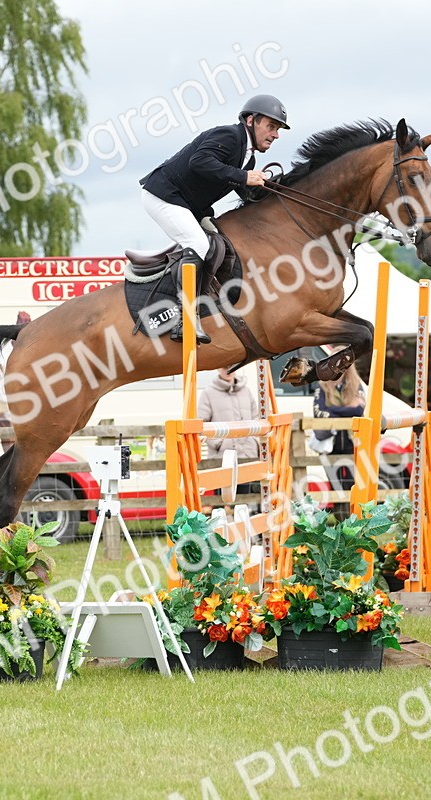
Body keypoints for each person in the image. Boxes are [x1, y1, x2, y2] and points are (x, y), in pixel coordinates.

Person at [139, 94, 290, 344]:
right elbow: (199, 162)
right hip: (163, 195)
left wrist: (275, 189)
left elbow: (248, 194)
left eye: (278, 129)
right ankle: (184, 319)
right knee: (198, 244)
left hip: (187, 205)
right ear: (251, 120)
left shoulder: (247, 157)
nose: (275, 135)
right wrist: (243, 177)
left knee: (223, 241)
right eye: (271, 126)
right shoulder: (230, 136)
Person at [198, 366, 260, 500]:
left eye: (231, 366)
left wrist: (254, 441)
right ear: (217, 368)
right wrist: (218, 443)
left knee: (249, 500)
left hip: (248, 454)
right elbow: (201, 424)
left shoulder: (246, 391)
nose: (227, 370)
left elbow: (256, 418)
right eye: (223, 366)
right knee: (222, 502)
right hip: (222, 457)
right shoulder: (208, 393)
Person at [312, 364, 367, 494]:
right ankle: (339, 513)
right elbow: (318, 411)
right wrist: (348, 409)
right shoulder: (322, 385)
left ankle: (352, 513)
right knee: (335, 485)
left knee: (352, 483)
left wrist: (331, 409)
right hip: (329, 441)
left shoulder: (356, 384)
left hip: (351, 441)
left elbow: (359, 410)